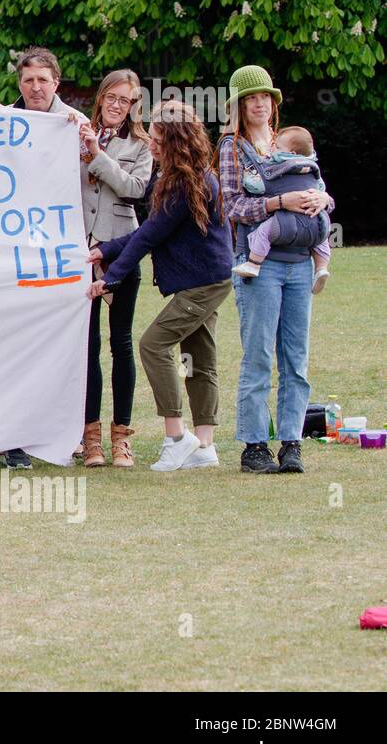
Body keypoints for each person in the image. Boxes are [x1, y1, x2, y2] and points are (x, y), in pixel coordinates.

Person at [87, 101, 233, 472]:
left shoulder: (188, 182)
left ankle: (176, 437)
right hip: (204, 281)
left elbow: (148, 236)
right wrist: (103, 249)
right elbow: (149, 230)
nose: (150, 143)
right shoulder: (178, 176)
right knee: (199, 360)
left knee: (152, 344)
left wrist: (110, 278)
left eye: (156, 138)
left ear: (176, 140)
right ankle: (204, 447)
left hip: (203, 284)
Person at [217, 65, 333, 474]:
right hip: (258, 267)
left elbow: (316, 187)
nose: (260, 104)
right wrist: (278, 204)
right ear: (239, 105)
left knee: (296, 360)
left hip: (300, 265)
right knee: (259, 357)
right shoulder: (232, 147)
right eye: (251, 98)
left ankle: (291, 442)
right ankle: (253, 445)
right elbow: (232, 206)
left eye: (265, 97)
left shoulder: (293, 144)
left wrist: (323, 202)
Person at [0, 46, 84, 469]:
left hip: (60, 257)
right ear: (20, 83)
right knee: (14, 348)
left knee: (60, 348)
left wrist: (83, 142)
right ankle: (15, 439)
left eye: (43, 80)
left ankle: (63, 433)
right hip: (12, 256)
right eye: (29, 80)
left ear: (56, 83)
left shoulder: (74, 124)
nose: (35, 87)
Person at [76, 70, 152, 467]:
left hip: (122, 248)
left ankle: (121, 434)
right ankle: (89, 438)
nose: (118, 105)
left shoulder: (140, 144)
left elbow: (134, 188)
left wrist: (97, 154)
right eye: (112, 97)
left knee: (120, 343)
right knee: (86, 347)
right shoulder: (74, 131)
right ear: (101, 97)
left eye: (126, 100)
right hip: (80, 252)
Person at [230, 124, 332, 292]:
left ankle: (253, 264)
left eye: (276, 147)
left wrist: (276, 199)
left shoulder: (276, 166)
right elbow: (322, 189)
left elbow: (258, 185)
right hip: (315, 220)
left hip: (285, 222)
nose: (273, 149)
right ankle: (321, 268)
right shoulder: (313, 168)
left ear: (290, 153)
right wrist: (324, 198)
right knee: (321, 240)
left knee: (263, 232)